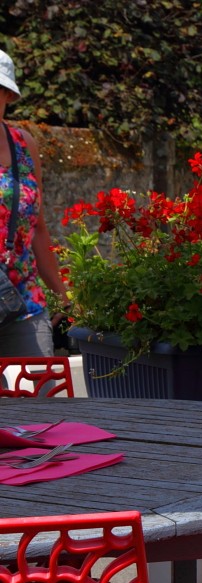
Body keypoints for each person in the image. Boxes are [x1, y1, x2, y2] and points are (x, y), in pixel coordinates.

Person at [0, 49, 69, 358]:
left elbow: (37, 224)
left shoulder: (23, 144)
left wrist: (61, 295)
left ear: (7, 96)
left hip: (24, 301)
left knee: (41, 399)